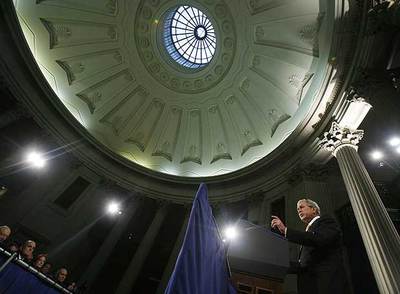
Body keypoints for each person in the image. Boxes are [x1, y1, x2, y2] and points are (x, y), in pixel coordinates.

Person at [270, 198, 348, 294]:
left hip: (326, 283)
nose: (299, 210)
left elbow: (319, 239)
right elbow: (304, 264)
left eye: (302, 207)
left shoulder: (326, 221)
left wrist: (286, 230)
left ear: (314, 209)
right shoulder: (308, 232)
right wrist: (277, 263)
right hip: (310, 285)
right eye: (298, 209)